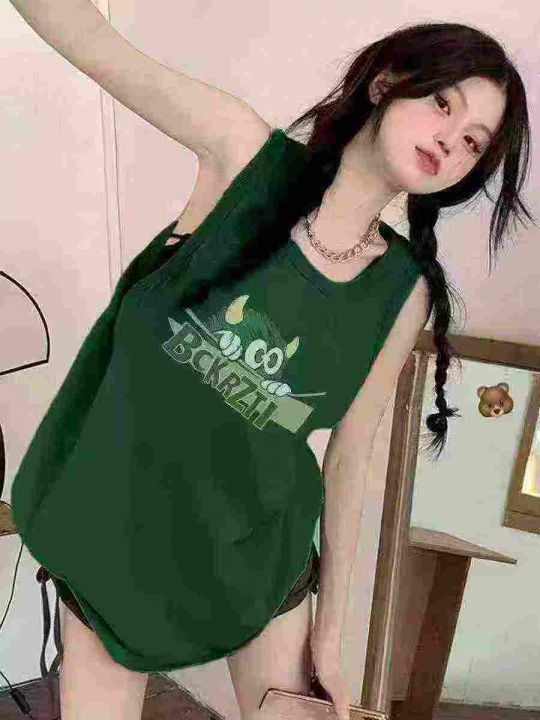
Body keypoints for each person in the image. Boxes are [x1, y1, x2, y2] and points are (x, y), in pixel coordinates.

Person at [7, 7, 534, 719]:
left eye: (474, 141)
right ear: (385, 84)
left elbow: (349, 456)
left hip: (259, 558)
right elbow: (91, 41)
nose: (452, 139)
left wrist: (332, 637)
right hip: (118, 538)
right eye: (444, 103)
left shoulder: (402, 291)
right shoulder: (241, 155)